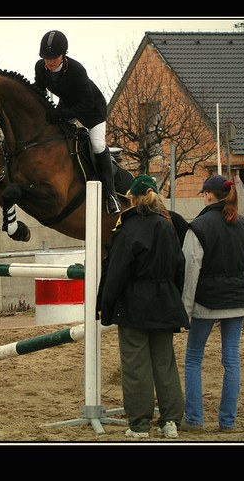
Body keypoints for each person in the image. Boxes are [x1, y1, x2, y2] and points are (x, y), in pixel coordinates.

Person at [99, 174, 190, 439]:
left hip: (134, 306)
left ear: (132, 199)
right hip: (165, 302)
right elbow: (179, 266)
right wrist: (173, 296)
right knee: (165, 364)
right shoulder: (167, 226)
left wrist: (105, 306)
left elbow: (116, 272)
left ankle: (139, 425)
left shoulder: (128, 229)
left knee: (136, 366)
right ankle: (171, 421)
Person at [181, 174, 244, 433]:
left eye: (204, 192)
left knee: (193, 359)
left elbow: (191, 270)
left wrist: (185, 309)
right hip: (238, 301)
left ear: (210, 195)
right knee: (232, 360)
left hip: (206, 302)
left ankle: (194, 419)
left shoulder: (199, 226)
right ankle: (227, 422)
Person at [33, 30, 121, 217]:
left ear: (63, 54)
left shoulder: (77, 70)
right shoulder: (41, 68)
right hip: (67, 106)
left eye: (53, 58)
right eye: (46, 58)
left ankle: (111, 196)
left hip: (92, 111)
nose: (49, 63)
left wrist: (61, 114)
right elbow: (39, 93)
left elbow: (86, 103)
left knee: (97, 145)